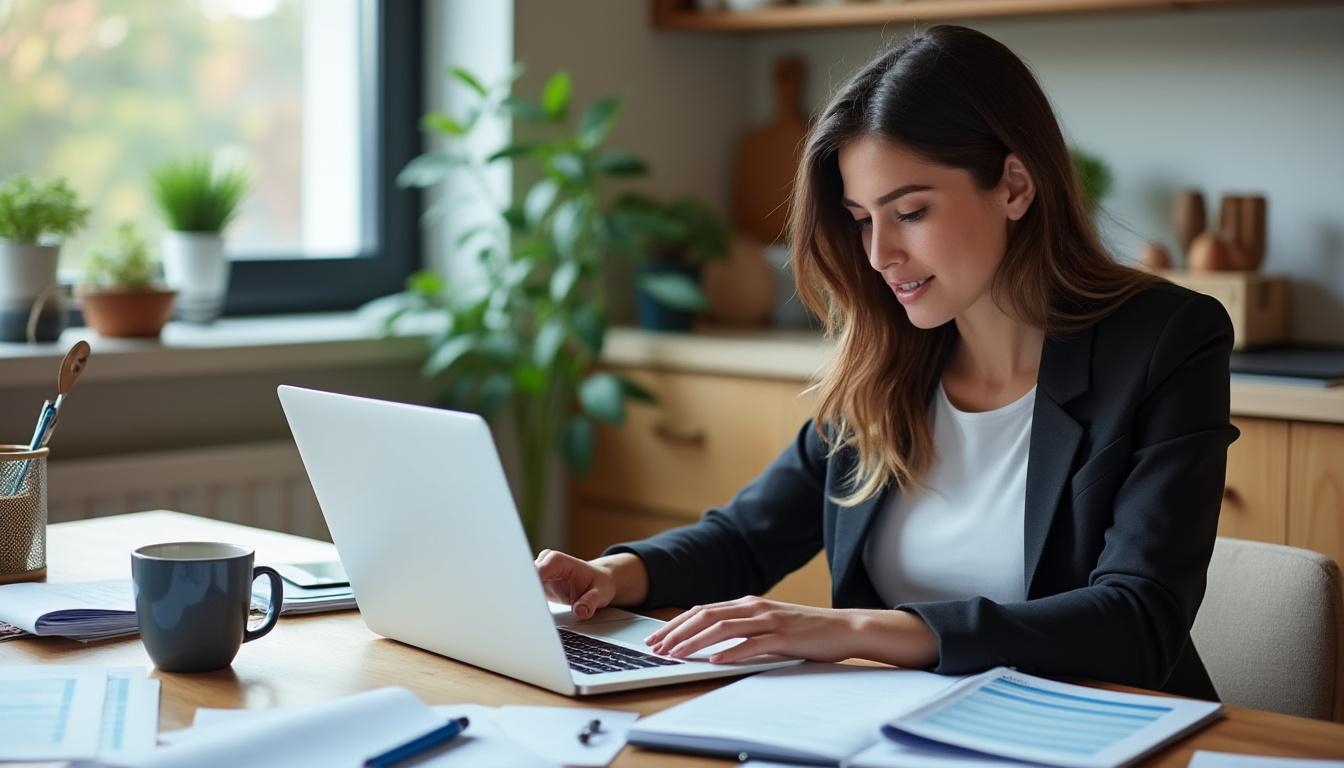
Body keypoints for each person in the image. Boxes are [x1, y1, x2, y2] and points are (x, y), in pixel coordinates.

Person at [534, 24, 1238, 700]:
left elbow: (1138, 618)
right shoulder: (888, 359)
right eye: (863, 218)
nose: (879, 256)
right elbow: (747, 536)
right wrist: (609, 575)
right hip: (897, 732)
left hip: (1093, 733)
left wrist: (849, 632)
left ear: (1016, 186)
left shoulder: (1166, 341)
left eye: (910, 211)